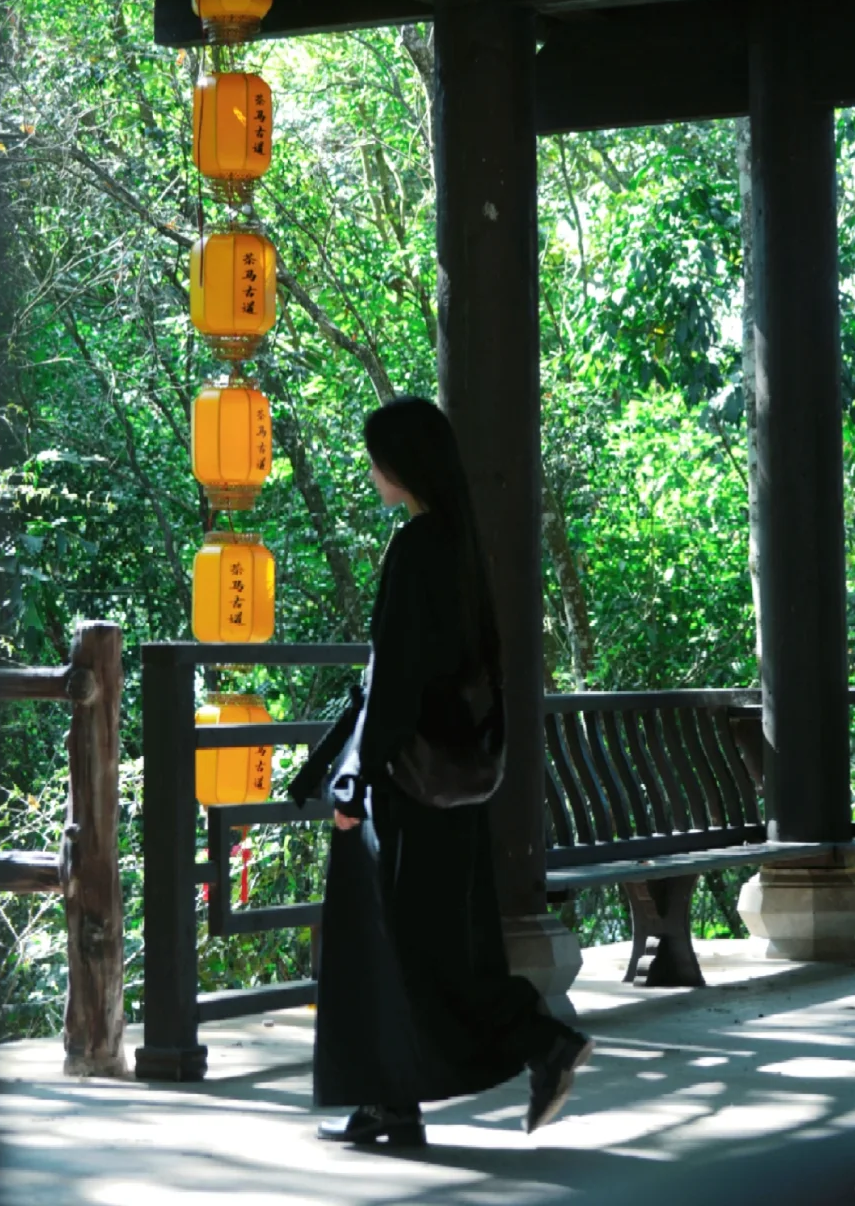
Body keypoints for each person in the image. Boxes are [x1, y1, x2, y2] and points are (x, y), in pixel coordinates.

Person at [288, 395, 592, 1147]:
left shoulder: (417, 547)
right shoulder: (458, 547)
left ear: (401, 463)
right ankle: (393, 1102)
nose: (372, 470)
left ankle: (539, 1042)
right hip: (450, 780)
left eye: (376, 457)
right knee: (426, 944)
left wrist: (354, 783)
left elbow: (394, 680)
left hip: (405, 783)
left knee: (406, 947)